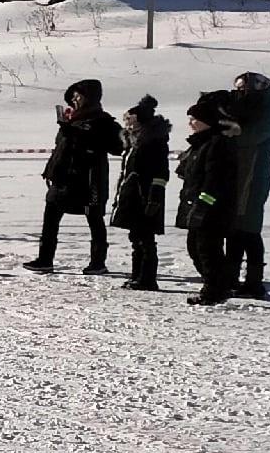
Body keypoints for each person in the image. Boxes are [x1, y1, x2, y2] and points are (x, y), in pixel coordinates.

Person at [24, 79, 122, 274]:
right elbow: (61, 149)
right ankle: (45, 259)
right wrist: (50, 170)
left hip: (88, 181)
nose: (75, 100)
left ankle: (98, 262)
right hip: (62, 179)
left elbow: (117, 147)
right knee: (50, 219)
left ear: (90, 98)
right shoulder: (71, 120)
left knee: (94, 220)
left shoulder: (104, 121)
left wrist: (80, 135)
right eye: (73, 96)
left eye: (79, 96)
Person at [177, 92, 241, 308]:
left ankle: (214, 289)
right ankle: (220, 284)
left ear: (206, 122)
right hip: (197, 205)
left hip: (213, 209)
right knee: (195, 248)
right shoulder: (199, 144)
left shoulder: (216, 144)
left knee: (207, 250)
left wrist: (204, 205)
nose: (190, 123)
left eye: (194, 119)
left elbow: (215, 180)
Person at [224, 70, 270, 299]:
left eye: (244, 90)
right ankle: (230, 277)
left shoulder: (266, 111)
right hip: (236, 173)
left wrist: (233, 131)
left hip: (254, 174)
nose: (241, 94)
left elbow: (248, 137)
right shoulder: (244, 108)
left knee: (249, 228)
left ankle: (254, 282)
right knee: (233, 228)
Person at [110, 94, 170, 293]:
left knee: (145, 238)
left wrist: (153, 197)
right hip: (132, 196)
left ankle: (147, 278)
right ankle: (137, 275)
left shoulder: (154, 142)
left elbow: (161, 172)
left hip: (146, 196)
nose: (126, 124)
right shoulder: (133, 144)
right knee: (136, 237)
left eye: (130, 120)